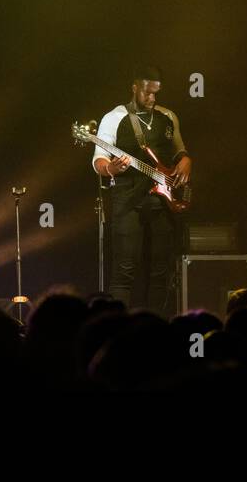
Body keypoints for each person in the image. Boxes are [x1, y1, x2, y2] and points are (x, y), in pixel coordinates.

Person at [91, 67, 192, 315]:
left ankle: (156, 325)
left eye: (156, 93)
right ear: (135, 88)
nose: (152, 98)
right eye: (147, 92)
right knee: (124, 268)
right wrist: (111, 169)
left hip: (163, 199)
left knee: (161, 267)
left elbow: (180, 150)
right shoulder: (114, 118)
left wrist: (187, 160)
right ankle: (118, 328)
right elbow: (99, 160)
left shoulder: (168, 117)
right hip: (127, 199)